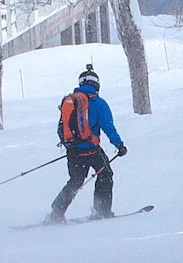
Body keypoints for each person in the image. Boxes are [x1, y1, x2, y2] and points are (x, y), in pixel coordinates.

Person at [47, 66, 127, 223]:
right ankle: (102, 211)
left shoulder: (70, 102)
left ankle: (56, 212)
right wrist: (119, 145)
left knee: (75, 181)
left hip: (74, 152)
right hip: (93, 151)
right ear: (97, 84)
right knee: (105, 175)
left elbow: (60, 129)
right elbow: (108, 127)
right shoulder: (99, 103)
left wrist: (71, 146)